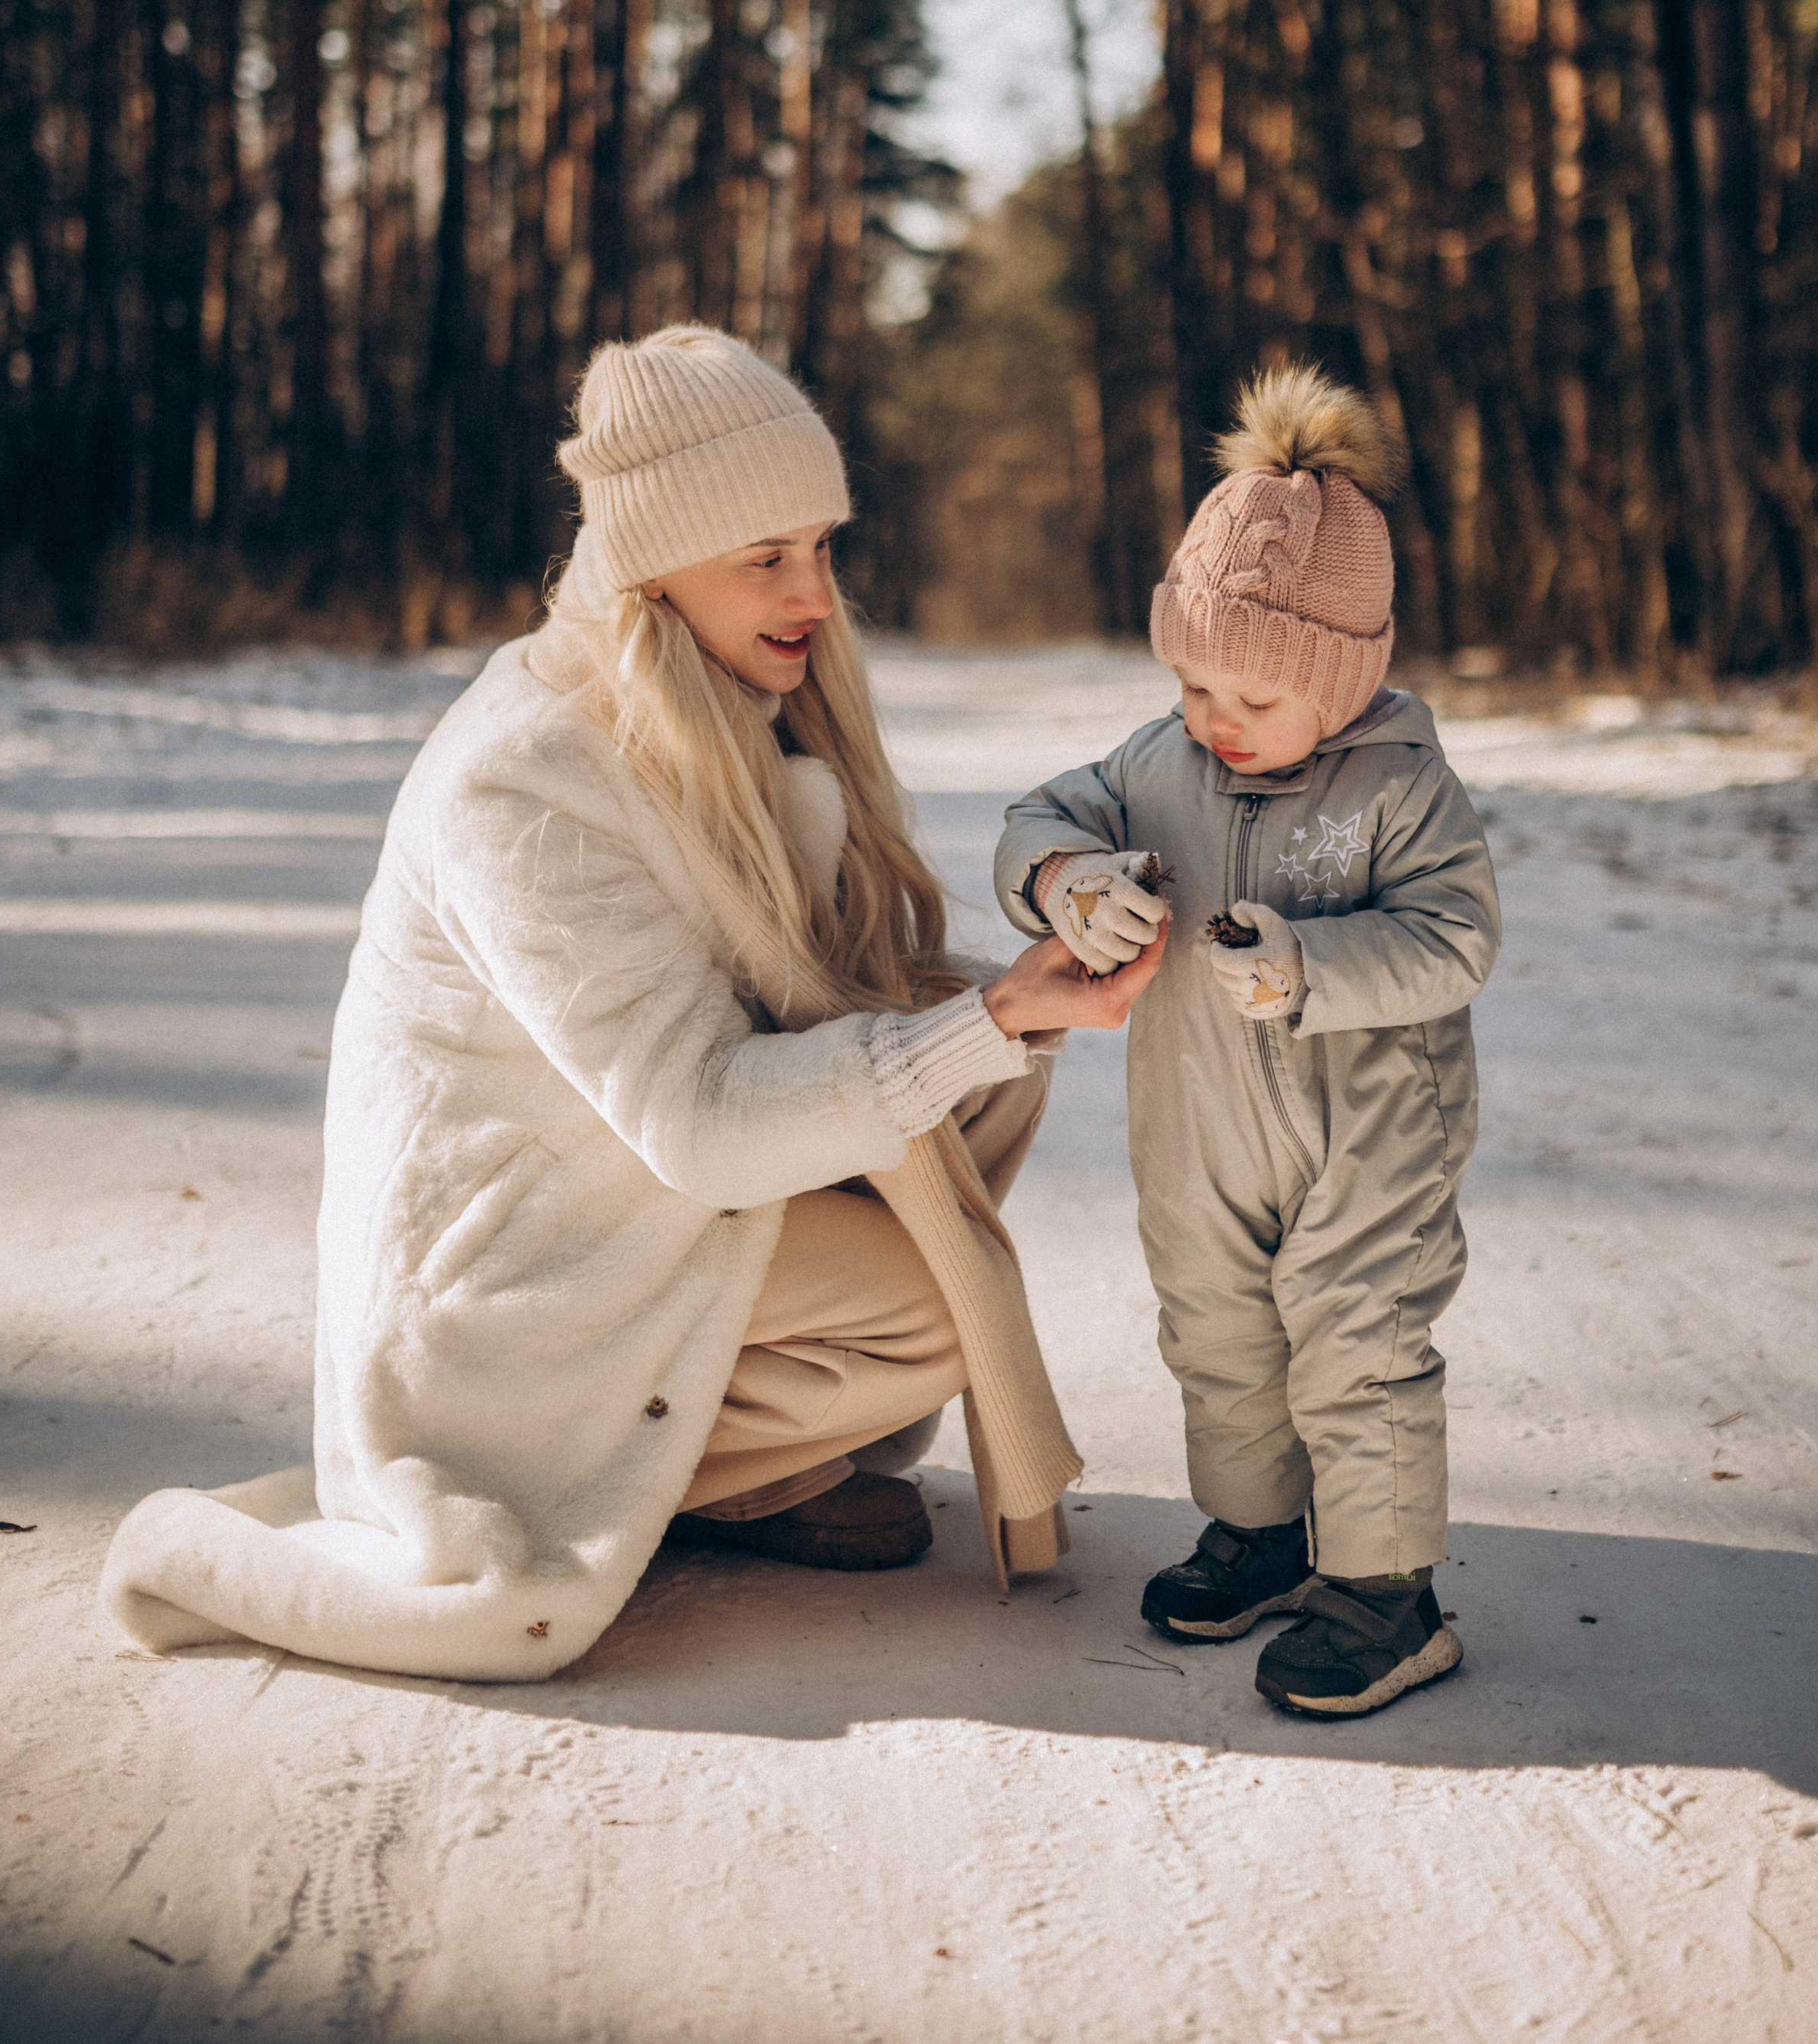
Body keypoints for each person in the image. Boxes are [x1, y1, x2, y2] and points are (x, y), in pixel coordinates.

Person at [104, 327, 1159, 1683]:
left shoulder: (722, 697)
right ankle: (661, 1468)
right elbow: (701, 1126)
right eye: (764, 559)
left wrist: (1015, 1005)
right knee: (944, 1298)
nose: (815, 596)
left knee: (978, 1060)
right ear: (653, 560)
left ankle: (738, 1461)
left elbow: (810, 1011)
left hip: (628, 1188)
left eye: (823, 546)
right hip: (526, 1273)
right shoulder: (526, 776)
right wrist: (987, 1023)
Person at [993, 362, 1500, 1720]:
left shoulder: (1399, 787)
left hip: (1371, 1131)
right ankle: (1266, 1535)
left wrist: (1311, 965)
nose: (1216, 719)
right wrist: (1066, 883)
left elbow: (1458, 940)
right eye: (1192, 681)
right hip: (1201, 1122)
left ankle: (1389, 1592)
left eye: (1254, 698)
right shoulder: (1161, 762)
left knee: (1352, 1333)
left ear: (1342, 678)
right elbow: (1041, 816)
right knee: (1216, 1327)